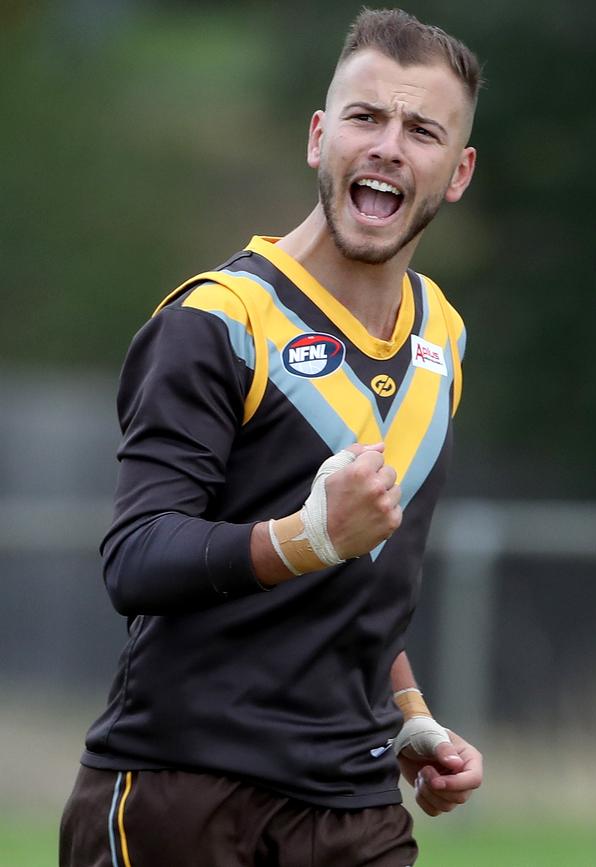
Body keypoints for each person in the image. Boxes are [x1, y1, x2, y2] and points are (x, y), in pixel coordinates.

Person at [60, 8, 484, 866]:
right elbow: (136, 558)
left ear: (457, 172)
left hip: (356, 807)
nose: (389, 146)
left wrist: (408, 714)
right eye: (366, 118)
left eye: (422, 130)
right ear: (318, 137)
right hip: (184, 793)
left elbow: (363, 579)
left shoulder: (444, 335)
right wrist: (307, 536)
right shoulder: (217, 321)